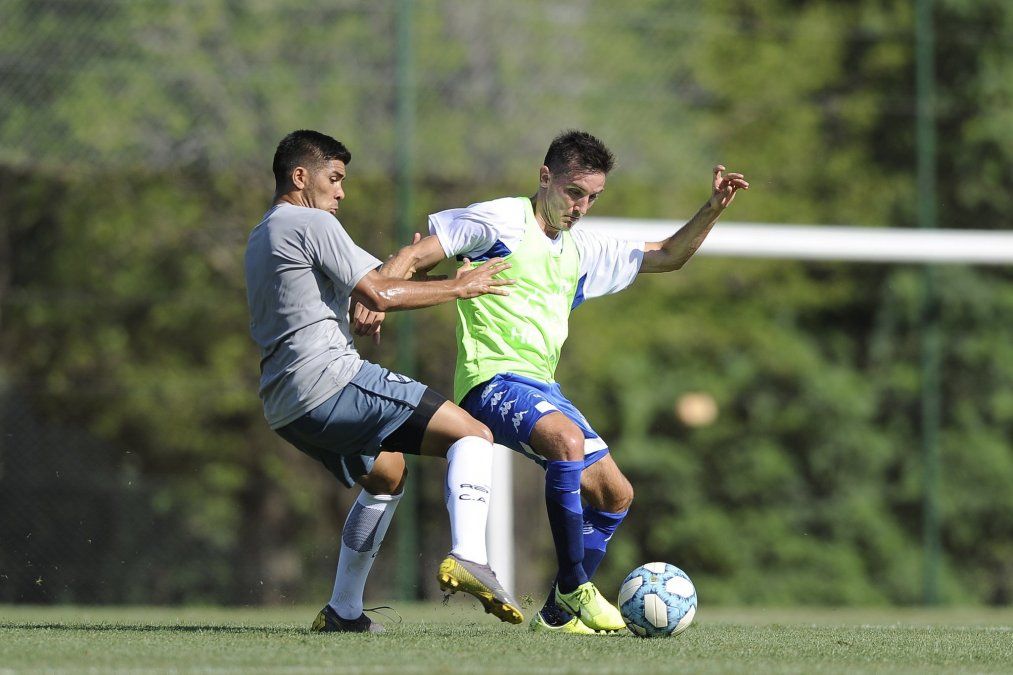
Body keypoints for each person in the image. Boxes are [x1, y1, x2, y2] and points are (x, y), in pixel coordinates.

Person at [366, 130, 748, 634]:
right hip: (491, 381)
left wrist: (713, 207)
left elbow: (668, 255)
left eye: (592, 197)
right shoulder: (502, 218)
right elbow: (418, 255)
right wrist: (378, 295)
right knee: (567, 443)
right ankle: (575, 586)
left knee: (615, 495)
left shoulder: (581, 249)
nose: (582, 206)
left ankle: (555, 615)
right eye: (574, 192)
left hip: (543, 389)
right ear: (545, 177)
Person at [243, 129, 524, 633]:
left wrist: (397, 275)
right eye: (335, 178)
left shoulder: (266, 231)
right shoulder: (311, 221)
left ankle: (343, 612)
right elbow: (380, 293)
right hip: (331, 383)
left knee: (387, 472)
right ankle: (469, 557)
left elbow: (371, 283)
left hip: (286, 407)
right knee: (473, 434)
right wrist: (459, 286)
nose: (341, 192)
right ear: (300, 176)